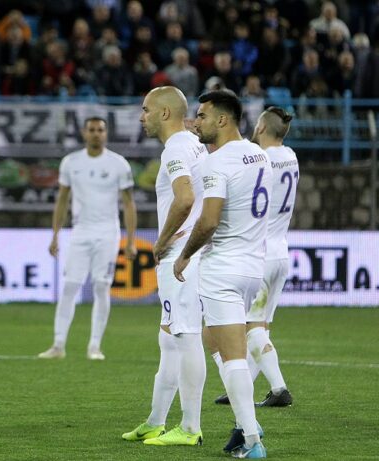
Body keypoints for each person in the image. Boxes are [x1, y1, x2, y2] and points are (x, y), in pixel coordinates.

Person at [173, 89, 270, 458]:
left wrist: (185, 255)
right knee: (212, 338)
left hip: (223, 269)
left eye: (202, 115)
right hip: (252, 267)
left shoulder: (216, 162)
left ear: (223, 119)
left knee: (233, 357)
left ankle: (251, 439)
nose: (196, 121)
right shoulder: (259, 154)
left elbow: (210, 221)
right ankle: (247, 422)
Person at [121, 86, 207, 446]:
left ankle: (190, 428)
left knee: (186, 337)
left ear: (165, 113)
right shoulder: (195, 144)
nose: (142, 116)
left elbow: (185, 198)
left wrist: (161, 241)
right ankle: (156, 421)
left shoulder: (175, 148)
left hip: (181, 257)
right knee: (169, 338)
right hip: (194, 252)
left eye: (146, 109)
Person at [215, 107, 297, 408]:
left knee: (252, 328)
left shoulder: (260, 158)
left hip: (260, 255)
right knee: (260, 326)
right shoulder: (291, 156)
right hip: (281, 253)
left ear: (261, 127)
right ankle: (243, 387)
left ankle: (279, 388)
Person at [38, 117, 137, 361]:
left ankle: (94, 346)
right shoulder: (71, 162)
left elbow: (128, 203)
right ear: (84, 133)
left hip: (107, 232)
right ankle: (58, 345)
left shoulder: (118, 164)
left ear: (106, 133)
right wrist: (55, 235)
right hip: (80, 231)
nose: (96, 134)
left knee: (101, 286)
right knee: (70, 286)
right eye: (91, 130)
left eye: (100, 130)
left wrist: (131, 239)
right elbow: (62, 200)